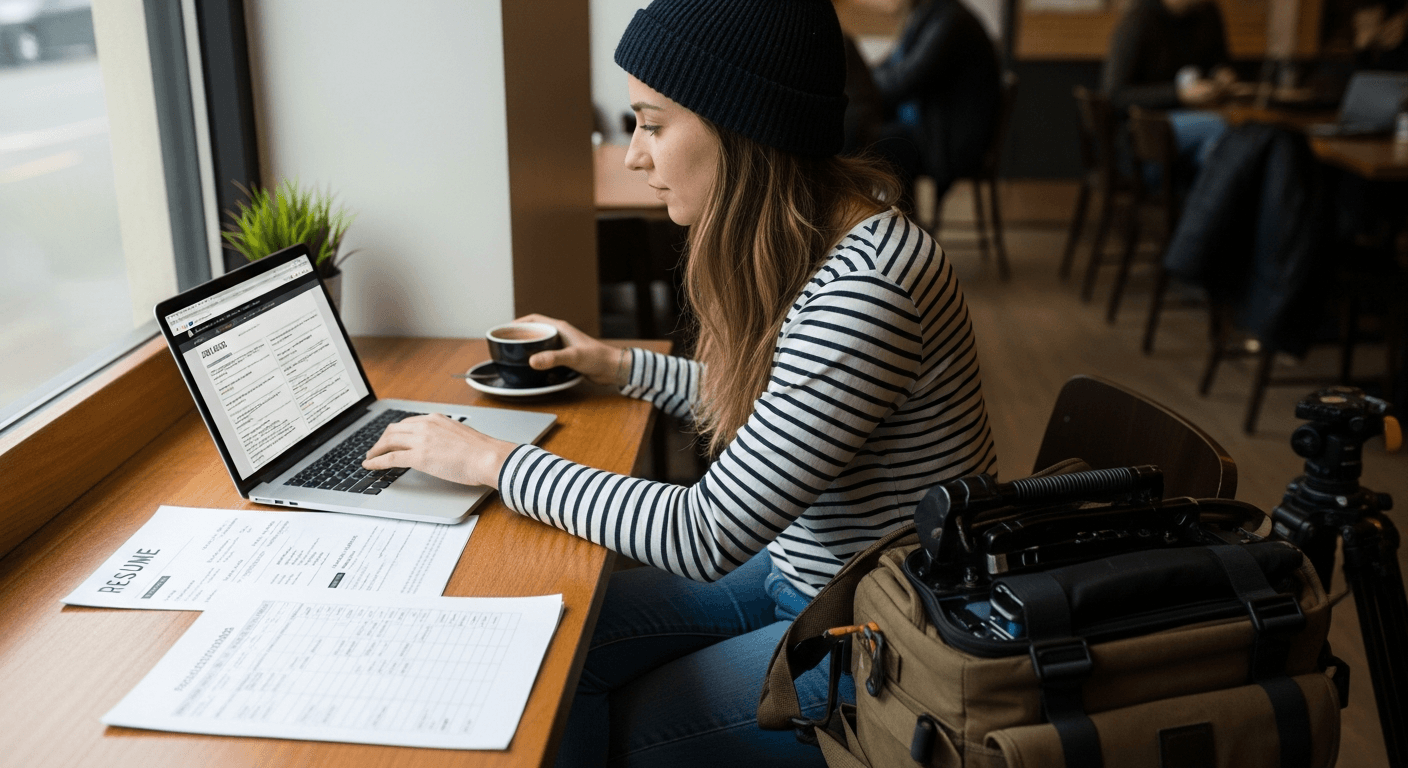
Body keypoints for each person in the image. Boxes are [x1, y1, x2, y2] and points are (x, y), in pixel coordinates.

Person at [362, 1, 996, 765]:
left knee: (594, 710)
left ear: (741, 124)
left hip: (887, 642)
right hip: (816, 576)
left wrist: (487, 460)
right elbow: (788, 417)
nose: (635, 155)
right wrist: (615, 364)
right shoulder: (835, 235)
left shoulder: (871, 287)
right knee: (552, 644)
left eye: (653, 124)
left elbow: (702, 535)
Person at [869, 0, 1003, 205]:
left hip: (948, 145)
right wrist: (860, 79)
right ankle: (897, 221)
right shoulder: (928, 14)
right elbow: (891, 68)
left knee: (869, 138)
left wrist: (859, 85)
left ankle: (899, 222)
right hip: (930, 132)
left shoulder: (950, 20)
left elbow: (906, 79)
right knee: (867, 129)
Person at [1103, 0, 1235, 170]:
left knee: (1232, 140)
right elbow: (1115, 96)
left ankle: (1200, 193)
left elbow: (1218, 60)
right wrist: (1180, 94)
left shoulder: (1207, 13)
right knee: (1219, 128)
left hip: (1191, 127)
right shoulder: (1139, 18)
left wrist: (1221, 72)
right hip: (1142, 142)